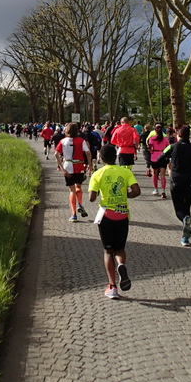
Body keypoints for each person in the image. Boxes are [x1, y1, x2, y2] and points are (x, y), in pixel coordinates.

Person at [88, 144, 141, 299]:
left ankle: (112, 287)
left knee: (108, 251)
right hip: (123, 214)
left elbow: (91, 198)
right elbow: (137, 191)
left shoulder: (98, 173)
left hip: (106, 215)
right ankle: (121, 265)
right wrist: (125, 196)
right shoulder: (125, 172)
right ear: (116, 157)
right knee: (120, 249)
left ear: (102, 158)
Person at [158, 125, 191, 246]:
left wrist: (169, 163)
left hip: (176, 181)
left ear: (178, 134)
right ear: (189, 135)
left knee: (179, 209)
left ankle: (184, 222)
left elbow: (160, 159)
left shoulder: (171, 147)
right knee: (187, 207)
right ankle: (185, 237)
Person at [55, 122, 92, 222]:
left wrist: (62, 168)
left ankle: (73, 214)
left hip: (67, 166)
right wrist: (90, 166)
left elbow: (56, 154)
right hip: (79, 165)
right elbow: (88, 152)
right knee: (78, 186)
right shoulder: (81, 140)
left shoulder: (63, 141)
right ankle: (80, 203)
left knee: (72, 190)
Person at [146, 123, 170, 197]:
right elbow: (168, 147)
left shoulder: (152, 139)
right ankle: (163, 191)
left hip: (154, 157)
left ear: (155, 130)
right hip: (163, 156)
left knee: (155, 174)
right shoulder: (165, 139)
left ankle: (156, 189)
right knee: (163, 175)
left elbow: (150, 148)